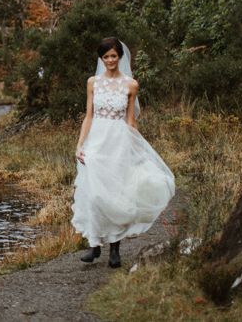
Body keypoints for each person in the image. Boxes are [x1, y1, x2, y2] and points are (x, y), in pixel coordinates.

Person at [71, 37, 174, 267]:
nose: (109, 60)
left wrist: (137, 149)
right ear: (101, 58)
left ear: (120, 57)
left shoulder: (130, 85)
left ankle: (114, 249)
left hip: (119, 142)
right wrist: (80, 144)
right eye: (105, 56)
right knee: (93, 192)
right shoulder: (93, 83)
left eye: (113, 56)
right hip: (96, 141)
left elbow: (130, 121)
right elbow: (88, 115)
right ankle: (94, 244)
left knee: (117, 193)